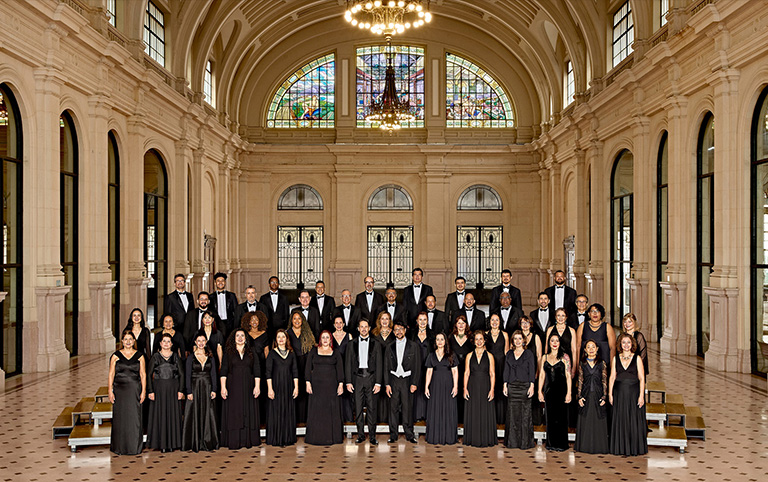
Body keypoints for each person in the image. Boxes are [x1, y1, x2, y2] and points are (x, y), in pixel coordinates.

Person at [220, 328, 261, 449]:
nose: (240, 338)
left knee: (248, 411)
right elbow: (224, 370)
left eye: (242, 335)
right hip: (233, 388)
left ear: (246, 338)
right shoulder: (228, 352)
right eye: (237, 335)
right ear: (234, 338)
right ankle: (235, 441)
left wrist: (257, 386)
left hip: (249, 386)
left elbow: (257, 370)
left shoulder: (251, 351)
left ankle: (248, 440)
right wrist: (223, 388)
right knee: (235, 412)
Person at [108, 330, 146, 455]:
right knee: (120, 418)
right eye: (126, 339)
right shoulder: (115, 356)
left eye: (130, 339)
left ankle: (134, 446)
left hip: (134, 389)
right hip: (120, 389)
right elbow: (111, 374)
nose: (128, 342)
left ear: (134, 341)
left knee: (134, 418)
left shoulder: (140, 355)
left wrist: (143, 391)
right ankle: (119, 446)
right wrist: (110, 390)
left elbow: (143, 374)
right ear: (122, 341)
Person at [345, 319, 382, 445]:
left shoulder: (375, 343)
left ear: (369, 327)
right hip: (357, 378)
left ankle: (372, 436)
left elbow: (379, 364)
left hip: (371, 378)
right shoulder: (351, 344)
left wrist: (378, 383)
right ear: (358, 328)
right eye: (362, 327)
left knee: (372, 408)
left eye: (366, 327)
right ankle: (360, 435)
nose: (364, 329)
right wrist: (348, 382)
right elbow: (348, 364)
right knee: (358, 408)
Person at [609, 333, 647, 456]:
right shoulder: (615, 358)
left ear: (632, 344)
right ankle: (620, 447)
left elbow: (641, 378)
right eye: (623, 342)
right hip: (619, 393)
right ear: (620, 344)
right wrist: (610, 394)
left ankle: (633, 448)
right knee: (620, 420)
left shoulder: (637, 358)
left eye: (628, 342)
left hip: (633, 394)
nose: (626, 345)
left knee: (633, 421)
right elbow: (612, 377)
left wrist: (641, 396)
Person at [384, 319, 422, 443]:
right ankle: (393, 435)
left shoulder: (414, 346)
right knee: (393, 408)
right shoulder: (389, 347)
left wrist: (414, 383)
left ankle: (409, 434)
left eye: (401, 329)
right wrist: (387, 384)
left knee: (407, 408)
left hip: (407, 380)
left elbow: (417, 366)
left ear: (405, 330)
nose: (399, 332)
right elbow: (386, 366)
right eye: (396, 330)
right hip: (394, 379)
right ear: (393, 332)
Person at [146, 333, 185, 452]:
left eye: (169, 341)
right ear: (160, 343)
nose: (166, 343)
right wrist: (150, 391)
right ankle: (161, 444)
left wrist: (180, 390)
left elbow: (182, 374)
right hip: (159, 388)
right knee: (160, 414)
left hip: (173, 388)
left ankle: (173, 443)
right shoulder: (156, 357)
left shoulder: (175, 357)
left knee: (173, 414)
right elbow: (148, 374)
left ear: (172, 344)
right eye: (164, 341)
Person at [305, 330, 345, 445]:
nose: (325, 340)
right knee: (317, 411)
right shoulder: (313, 351)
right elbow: (308, 368)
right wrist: (308, 382)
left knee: (330, 411)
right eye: (323, 337)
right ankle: (315, 438)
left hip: (331, 387)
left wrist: (340, 384)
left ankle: (332, 438)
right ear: (320, 339)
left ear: (331, 339)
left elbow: (340, 370)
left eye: (328, 337)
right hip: (316, 387)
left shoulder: (336, 352)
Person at [183, 331, 219, 452]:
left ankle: (208, 441)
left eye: (203, 341)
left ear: (206, 342)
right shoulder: (190, 357)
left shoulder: (211, 356)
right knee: (194, 413)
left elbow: (213, 374)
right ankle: (195, 442)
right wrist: (188, 391)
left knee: (209, 413)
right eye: (199, 341)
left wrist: (214, 389)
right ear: (195, 342)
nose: (201, 343)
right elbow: (187, 375)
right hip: (194, 388)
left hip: (208, 387)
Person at [463, 331, 497, 447]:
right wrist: (465, 388)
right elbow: (466, 373)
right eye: (476, 339)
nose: (479, 341)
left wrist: (492, 389)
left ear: (484, 340)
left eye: (481, 339)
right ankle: (472, 438)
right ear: (473, 341)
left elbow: (492, 373)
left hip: (485, 384)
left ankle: (485, 438)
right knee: (473, 410)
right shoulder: (469, 355)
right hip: (472, 385)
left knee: (484, 410)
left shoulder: (490, 356)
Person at [538, 333, 571, 451]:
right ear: (549, 343)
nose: (555, 343)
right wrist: (539, 391)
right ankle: (550, 444)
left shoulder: (565, 357)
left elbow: (568, 376)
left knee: (561, 418)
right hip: (549, 391)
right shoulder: (544, 357)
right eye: (552, 341)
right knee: (550, 418)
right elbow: (542, 375)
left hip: (561, 391)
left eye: (557, 340)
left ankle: (561, 444)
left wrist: (569, 393)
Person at [503, 330, 536, 449]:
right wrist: (505, 385)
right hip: (512, 386)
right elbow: (506, 371)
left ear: (523, 341)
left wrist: (532, 386)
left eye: (519, 338)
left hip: (524, 386)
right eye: (515, 338)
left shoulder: (529, 354)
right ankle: (512, 442)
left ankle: (525, 443)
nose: (517, 341)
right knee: (512, 415)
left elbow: (532, 370)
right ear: (512, 341)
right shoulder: (509, 354)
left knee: (525, 414)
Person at [574, 340, 608, 454]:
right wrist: (579, 397)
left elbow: (604, 380)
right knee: (585, 420)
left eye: (593, 347)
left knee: (598, 420)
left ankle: (599, 447)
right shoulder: (582, 363)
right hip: (586, 395)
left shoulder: (601, 363)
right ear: (585, 350)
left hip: (598, 395)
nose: (591, 349)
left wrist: (604, 396)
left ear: (597, 349)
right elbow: (580, 380)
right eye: (588, 347)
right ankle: (584, 446)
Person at [266, 329, 299, 447]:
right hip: (276, 386)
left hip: (289, 386)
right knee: (276, 411)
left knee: (287, 410)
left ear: (286, 339)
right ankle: (276, 438)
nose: (281, 339)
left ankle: (287, 437)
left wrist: (296, 387)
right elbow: (268, 373)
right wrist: (270, 388)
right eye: (279, 337)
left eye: (283, 337)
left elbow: (295, 371)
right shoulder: (272, 353)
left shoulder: (291, 353)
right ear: (276, 339)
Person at [424, 332, 458, 445]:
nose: (439, 341)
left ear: (445, 341)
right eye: (437, 339)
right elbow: (429, 372)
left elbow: (455, 372)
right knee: (435, 408)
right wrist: (426, 387)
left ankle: (448, 437)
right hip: (435, 385)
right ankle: (435, 436)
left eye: (442, 339)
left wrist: (456, 386)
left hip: (448, 385)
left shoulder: (451, 355)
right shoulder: (431, 355)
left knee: (448, 409)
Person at [546, 307, 578, 427]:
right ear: (555, 317)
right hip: (553, 364)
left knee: (567, 391)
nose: (560, 318)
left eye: (562, 316)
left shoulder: (571, 330)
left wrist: (574, 367)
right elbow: (546, 348)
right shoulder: (550, 330)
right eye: (558, 315)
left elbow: (574, 350)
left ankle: (568, 423)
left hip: (566, 364)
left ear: (566, 317)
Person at [286, 311, 315, 424]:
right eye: (294, 319)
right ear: (291, 320)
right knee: (294, 391)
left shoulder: (307, 333)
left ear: (302, 320)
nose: (297, 321)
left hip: (305, 365)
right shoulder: (287, 333)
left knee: (305, 392)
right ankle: (294, 419)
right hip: (292, 366)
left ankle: (306, 420)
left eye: (299, 318)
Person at [243, 311, 270, 421]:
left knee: (261, 391)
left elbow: (266, 351)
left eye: (256, 320)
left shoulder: (264, 334)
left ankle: (261, 418)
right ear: (248, 321)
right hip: (248, 366)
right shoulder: (244, 334)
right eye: (252, 319)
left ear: (260, 321)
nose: (254, 322)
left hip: (262, 366)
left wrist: (268, 368)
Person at [576, 303, 616, 372]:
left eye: (597, 311)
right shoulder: (582, 326)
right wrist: (576, 364)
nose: (595, 314)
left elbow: (612, 348)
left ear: (601, 314)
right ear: (588, 314)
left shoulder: (607, 327)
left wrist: (612, 366)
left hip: (604, 365)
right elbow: (578, 346)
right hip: (585, 365)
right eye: (592, 311)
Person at [518, 316, 543, 426]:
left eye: (527, 323)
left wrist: (538, 371)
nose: (525, 325)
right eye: (523, 323)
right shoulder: (517, 337)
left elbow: (539, 356)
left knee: (533, 397)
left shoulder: (536, 337)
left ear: (531, 324)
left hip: (533, 372)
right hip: (520, 373)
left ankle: (534, 422)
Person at [449, 315, 473, 423]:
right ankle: (455, 418)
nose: (461, 325)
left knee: (466, 390)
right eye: (459, 323)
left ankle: (465, 418)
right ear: (455, 325)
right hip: (454, 369)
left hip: (467, 369)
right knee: (455, 391)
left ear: (466, 325)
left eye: (463, 323)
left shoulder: (471, 337)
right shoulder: (450, 337)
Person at [373, 311, 395, 424]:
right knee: (377, 394)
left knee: (389, 393)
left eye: (387, 319)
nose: (385, 321)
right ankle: (377, 419)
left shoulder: (394, 333)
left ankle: (389, 419)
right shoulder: (374, 333)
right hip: (377, 367)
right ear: (379, 320)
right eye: (383, 319)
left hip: (391, 368)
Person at [410, 312, 433, 422]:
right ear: (417, 321)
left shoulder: (432, 334)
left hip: (428, 366)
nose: (423, 322)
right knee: (416, 390)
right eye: (420, 320)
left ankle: (427, 415)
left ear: (427, 321)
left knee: (427, 389)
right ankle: (417, 416)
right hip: (415, 366)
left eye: (425, 320)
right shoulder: (411, 334)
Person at [486, 313, 509, 424]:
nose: (494, 322)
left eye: (497, 320)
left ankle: (501, 419)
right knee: (490, 389)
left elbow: (507, 353)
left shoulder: (505, 335)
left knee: (500, 391)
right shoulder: (485, 334)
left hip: (501, 365)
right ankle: (490, 418)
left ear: (500, 322)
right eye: (492, 320)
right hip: (489, 366)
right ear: (489, 322)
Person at [331, 316, 354, 422]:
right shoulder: (330, 336)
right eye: (337, 323)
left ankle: (348, 419)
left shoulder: (349, 336)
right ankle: (336, 420)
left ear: (344, 324)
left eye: (340, 322)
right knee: (335, 393)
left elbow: (353, 354)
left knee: (347, 395)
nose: (339, 325)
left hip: (347, 367)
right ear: (334, 325)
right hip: (334, 368)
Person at [210, 272, 238, 338]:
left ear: (225, 282)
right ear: (215, 283)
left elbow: (236, 310)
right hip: (216, 324)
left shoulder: (232, 296)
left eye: (222, 281)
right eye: (218, 281)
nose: (220, 282)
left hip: (229, 324)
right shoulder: (211, 297)